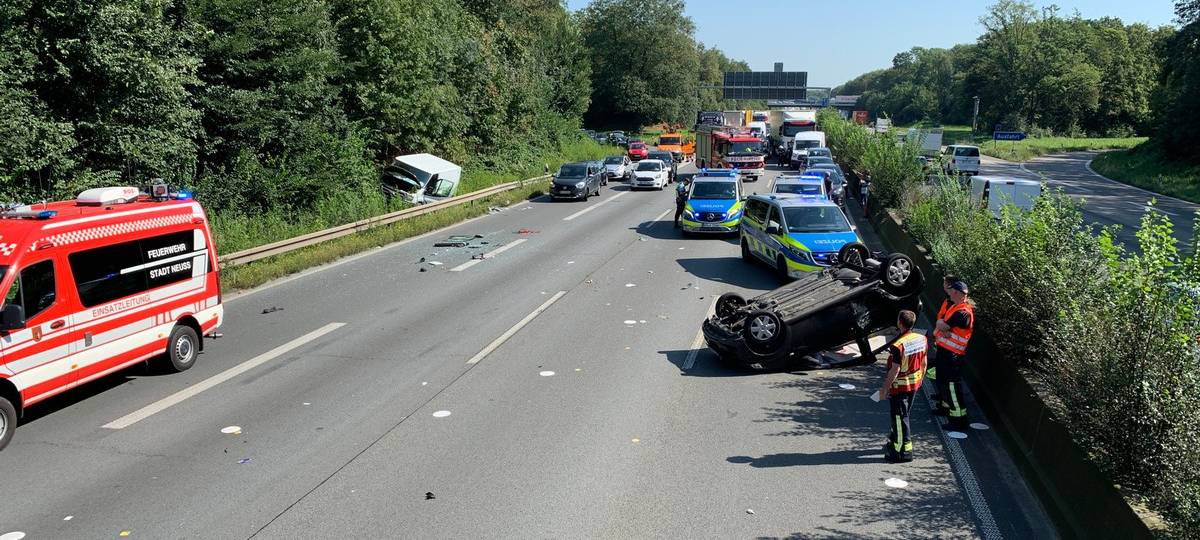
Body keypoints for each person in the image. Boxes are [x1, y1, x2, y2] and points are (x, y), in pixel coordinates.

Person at [878, 310, 927, 463]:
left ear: (900, 323)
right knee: (904, 416)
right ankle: (895, 441)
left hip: (900, 387)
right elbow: (924, 362)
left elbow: (895, 369)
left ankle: (901, 451)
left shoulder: (898, 345)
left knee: (899, 418)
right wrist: (921, 379)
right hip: (915, 384)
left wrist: (885, 388)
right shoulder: (921, 339)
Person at [932, 279, 975, 431]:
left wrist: (942, 325)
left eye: (952, 291)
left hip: (953, 355)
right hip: (946, 352)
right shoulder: (956, 307)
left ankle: (958, 420)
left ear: (957, 293)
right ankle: (945, 408)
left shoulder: (962, 312)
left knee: (952, 387)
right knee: (942, 380)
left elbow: (942, 325)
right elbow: (942, 324)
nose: (949, 293)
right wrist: (942, 325)